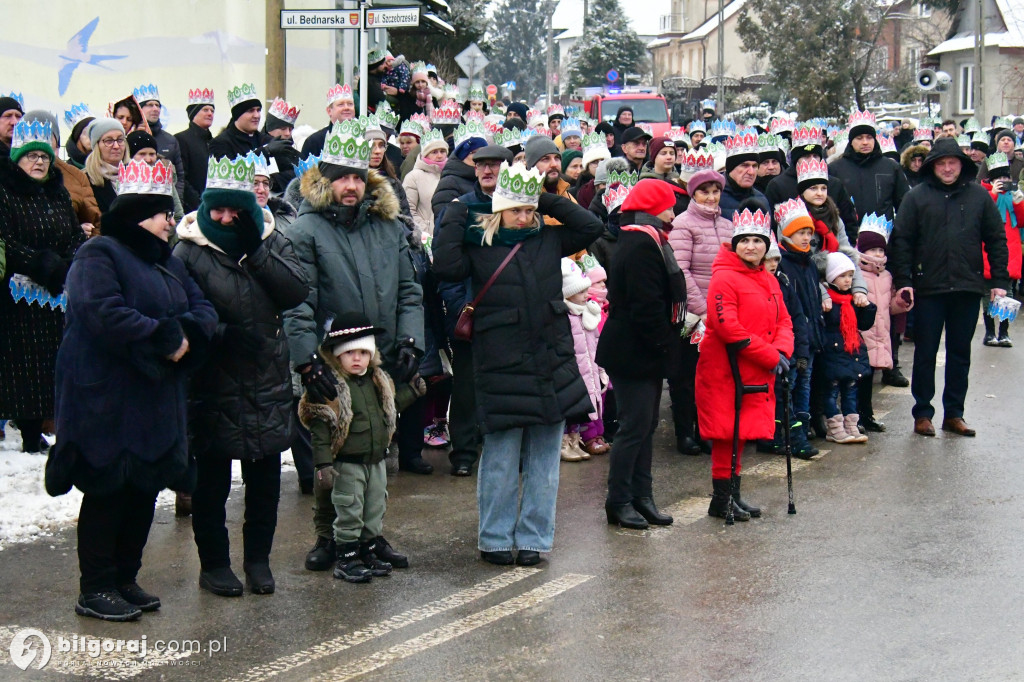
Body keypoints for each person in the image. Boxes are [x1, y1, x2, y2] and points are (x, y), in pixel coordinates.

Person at [49, 159, 216, 621]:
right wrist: (166, 338)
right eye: (163, 214)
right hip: (104, 397)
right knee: (107, 490)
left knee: (143, 489)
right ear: (140, 214)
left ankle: (125, 577)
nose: (170, 222)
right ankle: (95, 587)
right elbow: (101, 311)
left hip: (153, 398)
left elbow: (203, 309)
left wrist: (186, 336)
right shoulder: (98, 254)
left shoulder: (167, 261)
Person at [433, 162, 603, 565]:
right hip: (501, 361)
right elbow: (446, 266)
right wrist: (456, 214)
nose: (524, 217)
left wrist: (543, 197)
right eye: (516, 210)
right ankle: (494, 539)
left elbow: (591, 227)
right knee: (500, 457)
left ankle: (534, 540)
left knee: (545, 460)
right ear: (499, 209)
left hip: (551, 359)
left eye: (528, 210)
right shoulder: (479, 242)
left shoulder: (548, 237)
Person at [285, 121, 425, 570]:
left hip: (376, 356)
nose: (351, 186)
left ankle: (369, 534)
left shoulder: (387, 226)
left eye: (357, 177)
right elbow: (298, 301)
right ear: (325, 180)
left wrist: (411, 340)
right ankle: (328, 536)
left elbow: (409, 290)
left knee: (374, 452)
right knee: (335, 455)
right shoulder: (305, 230)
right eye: (341, 177)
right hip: (331, 358)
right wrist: (307, 361)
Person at [174, 156, 308, 597]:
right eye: (218, 209)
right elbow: (178, 312)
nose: (227, 218)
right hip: (212, 381)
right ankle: (214, 564)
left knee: (264, 481)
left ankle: (258, 561)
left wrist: (258, 250)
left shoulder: (270, 238)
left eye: (236, 210)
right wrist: (221, 334)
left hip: (265, 376)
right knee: (211, 483)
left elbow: (295, 290)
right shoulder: (188, 250)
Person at [889, 137, 1009, 438]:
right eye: (941, 163)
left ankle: (954, 413)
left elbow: (996, 239)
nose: (946, 168)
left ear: (961, 165)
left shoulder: (979, 197)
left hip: (967, 286)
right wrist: (904, 282)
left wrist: (999, 281)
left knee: (960, 353)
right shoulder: (916, 197)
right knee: (925, 352)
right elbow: (902, 241)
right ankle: (923, 413)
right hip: (928, 286)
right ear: (932, 166)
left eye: (952, 163)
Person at [298, 314, 423, 582]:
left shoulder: (378, 380)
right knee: (350, 511)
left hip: (375, 461)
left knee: (374, 509)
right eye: (349, 353)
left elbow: (389, 409)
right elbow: (320, 429)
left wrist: (412, 391)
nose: (357, 358)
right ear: (336, 355)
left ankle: (368, 551)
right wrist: (323, 465)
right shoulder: (330, 385)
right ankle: (346, 557)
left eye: (364, 352)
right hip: (347, 463)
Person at [596, 179, 688, 529]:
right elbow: (645, 305)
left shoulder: (647, 239)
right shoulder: (640, 244)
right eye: (668, 205)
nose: (673, 212)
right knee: (634, 426)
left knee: (645, 425)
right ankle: (619, 500)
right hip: (633, 349)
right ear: (652, 207)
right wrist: (666, 344)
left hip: (641, 348)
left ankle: (642, 496)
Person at [695, 205, 793, 521]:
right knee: (727, 433)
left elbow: (784, 320)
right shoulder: (723, 278)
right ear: (735, 244)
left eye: (757, 241)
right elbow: (728, 327)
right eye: (745, 241)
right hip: (726, 369)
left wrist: (783, 351)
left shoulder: (768, 279)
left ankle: (732, 495)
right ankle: (721, 499)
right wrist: (770, 355)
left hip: (755, 368)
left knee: (741, 433)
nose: (751, 246)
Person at [0, 120, 86, 452]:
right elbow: (6, 241)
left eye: (45, 157)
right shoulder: (5, 193)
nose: (39, 162)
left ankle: (49, 428)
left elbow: (75, 234)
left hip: (55, 293)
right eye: (31, 156)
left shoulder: (58, 193)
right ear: (17, 159)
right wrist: (41, 263)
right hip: (18, 294)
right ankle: (28, 431)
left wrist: (69, 260)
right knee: (23, 366)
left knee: (52, 362)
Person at [434, 144, 513, 477]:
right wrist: (459, 306)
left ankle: (502, 450)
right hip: (472, 311)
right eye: (482, 165)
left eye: (494, 165)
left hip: (509, 313)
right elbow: (444, 261)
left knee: (507, 387)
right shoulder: (460, 209)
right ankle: (464, 452)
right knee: (466, 387)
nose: (487, 171)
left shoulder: (519, 208)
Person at [668, 164, 731, 455]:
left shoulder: (727, 225)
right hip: (695, 316)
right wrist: (703, 308)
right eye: (705, 191)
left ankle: (707, 429)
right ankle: (685, 432)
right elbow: (681, 270)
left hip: (722, 312)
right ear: (693, 194)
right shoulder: (683, 223)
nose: (711, 197)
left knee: (714, 376)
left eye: (715, 191)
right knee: (687, 375)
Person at [774, 198, 825, 458]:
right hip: (791, 337)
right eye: (800, 233)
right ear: (786, 233)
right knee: (789, 386)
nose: (806, 238)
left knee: (804, 385)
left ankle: (802, 431)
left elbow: (814, 298)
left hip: (809, 337)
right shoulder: (782, 263)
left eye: (808, 233)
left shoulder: (810, 262)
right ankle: (786, 435)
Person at [855, 215, 913, 433]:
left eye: (881, 250)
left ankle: (866, 415)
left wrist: (901, 302)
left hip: (880, 333)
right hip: (862, 334)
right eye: (873, 250)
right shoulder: (856, 274)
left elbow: (889, 307)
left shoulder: (887, 276)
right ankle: (855, 416)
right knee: (858, 378)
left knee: (869, 378)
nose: (878, 254)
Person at [817, 252, 876, 443]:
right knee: (831, 391)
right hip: (833, 353)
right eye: (842, 276)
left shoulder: (852, 299)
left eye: (850, 275)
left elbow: (864, 324)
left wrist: (868, 307)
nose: (848, 280)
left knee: (851, 391)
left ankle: (851, 426)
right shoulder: (827, 302)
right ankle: (834, 427)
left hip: (851, 352)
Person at [764, 126, 858, 236]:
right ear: (796, 159)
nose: (812, 160)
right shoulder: (777, 185)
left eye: (815, 156)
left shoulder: (834, 184)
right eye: (806, 156)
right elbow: (772, 226)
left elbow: (849, 222)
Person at [829, 110, 909, 240]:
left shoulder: (891, 167)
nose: (865, 142)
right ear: (851, 141)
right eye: (859, 138)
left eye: (869, 137)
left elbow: (904, 207)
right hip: (847, 240)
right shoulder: (835, 169)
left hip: (884, 240)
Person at [559, 258, 610, 461]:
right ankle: (565, 441)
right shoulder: (565, 317)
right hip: (574, 372)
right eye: (580, 292)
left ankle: (576, 438)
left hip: (590, 368)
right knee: (572, 408)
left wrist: (601, 369)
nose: (586, 295)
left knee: (588, 405)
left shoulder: (587, 313)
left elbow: (595, 342)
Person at [24, 110, 101, 232]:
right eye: (33, 135)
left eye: (47, 134)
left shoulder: (76, 177)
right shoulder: (9, 175)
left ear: (57, 141)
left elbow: (96, 224)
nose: (40, 140)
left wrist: (81, 237)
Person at [979, 152, 1024, 347]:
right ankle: (989, 332)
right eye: (999, 179)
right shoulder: (983, 194)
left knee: (1008, 293)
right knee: (987, 294)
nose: (1004, 182)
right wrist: (993, 193)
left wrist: (1019, 201)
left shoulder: (1013, 196)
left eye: (1006, 178)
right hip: (988, 249)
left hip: (1010, 250)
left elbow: (1021, 221)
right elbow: (979, 216)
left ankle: (1004, 332)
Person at [133, 85, 185, 198]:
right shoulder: (130, 138)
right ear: (139, 109)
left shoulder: (170, 140)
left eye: (157, 105)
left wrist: (177, 200)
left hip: (166, 200)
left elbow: (180, 176)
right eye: (150, 105)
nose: (155, 109)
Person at [175, 88, 216, 211]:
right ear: (194, 113)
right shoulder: (181, 139)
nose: (210, 113)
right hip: (193, 207)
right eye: (205, 110)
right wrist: (198, 202)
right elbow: (182, 177)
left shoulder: (215, 143)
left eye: (212, 110)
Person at [403, 128, 447, 236]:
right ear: (425, 154)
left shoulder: (450, 174)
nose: (439, 155)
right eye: (434, 152)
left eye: (442, 151)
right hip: (425, 237)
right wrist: (425, 231)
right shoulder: (413, 177)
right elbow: (408, 210)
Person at [85, 118, 129, 214]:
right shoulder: (86, 180)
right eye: (109, 141)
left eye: (120, 140)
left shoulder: (136, 175)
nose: (116, 146)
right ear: (97, 146)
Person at [720, 132, 768, 220]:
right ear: (731, 168)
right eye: (745, 165)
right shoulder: (714, 198)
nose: (751, 172)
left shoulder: (762, 200)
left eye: (754, 166)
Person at [208, 83, 263, 159]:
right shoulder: (221, 143)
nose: (256, 115)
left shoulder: (266, 140)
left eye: (258, 110)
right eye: (250, 111)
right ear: (238, 115)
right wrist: (265, 152)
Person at [302, 84, 357, 158]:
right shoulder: (314, 142)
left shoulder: (365, 136)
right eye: (341, 104)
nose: (346, 108)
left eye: (350, 104)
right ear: (329, 111)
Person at [63, 103, 94, 169]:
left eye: (94, 131)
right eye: (87, 132)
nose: (92, 136)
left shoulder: (105, 164)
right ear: (78, 136)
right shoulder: (67, 170)